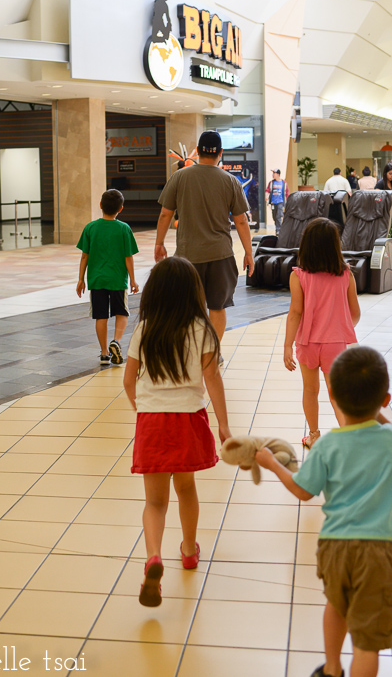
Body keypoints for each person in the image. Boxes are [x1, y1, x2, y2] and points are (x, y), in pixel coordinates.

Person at [256, 345, 392, 677]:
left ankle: (331, 668)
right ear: (384, 399)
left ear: (334, 398)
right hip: (376, 550)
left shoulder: (327, 445)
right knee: (368, 640)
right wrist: (378, 409)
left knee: (336, 604)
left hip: (335, 546)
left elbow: (302, 490)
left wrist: (272, 464)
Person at [123, 257, 231, 607]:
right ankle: (187, 550)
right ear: (192, 292)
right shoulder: (202, 329)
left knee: (155, 502)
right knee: (186, 490)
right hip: (187, 418)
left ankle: (153, 556)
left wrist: (143, 410)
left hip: (152, 421)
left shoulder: (146, 328)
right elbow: (212, 378)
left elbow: (128, 380)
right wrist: (224, 425)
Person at [155, 130, 254, 343]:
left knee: (188, 308)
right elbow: (241, 221)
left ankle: (190, 352)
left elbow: (165, 214)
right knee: (217, 307)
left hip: (187, 256)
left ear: (198, 151)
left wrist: (159, 243)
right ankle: (212, 352)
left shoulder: (179, 177)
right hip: (220, 255)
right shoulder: (230, 181)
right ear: (220, 153)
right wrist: (249, 252)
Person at [284, 217, 360, 449]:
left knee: (310, 389)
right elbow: (354, 313)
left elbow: (295, 313)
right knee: (335, 392)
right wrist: (338, 327)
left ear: (306, 245)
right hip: (335, 344)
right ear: (335, 246)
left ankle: (314, 435)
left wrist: (287, 345)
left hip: (307, 343)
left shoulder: (298, 276)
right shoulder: (346, 275)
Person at [76, 189, 139, 366]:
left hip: (96, 280)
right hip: (118, 279)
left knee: (101, 316)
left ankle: (104, 353)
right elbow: (128, 257)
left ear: (101, 205)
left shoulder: (90, 228)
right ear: (121, 209)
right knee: (122, 312)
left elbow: (84, 256)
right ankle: (116, 341)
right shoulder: (124, 229)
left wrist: (81, 279)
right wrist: (133, 279)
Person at [265, 168, 289, 234]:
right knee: (274, 216)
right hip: (273, 202)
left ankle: (279, 230)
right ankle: (278, 228)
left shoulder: (284, 183)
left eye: (274, 173)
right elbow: (267, 190)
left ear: (278, 174)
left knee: (279, 216)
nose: (273, 175)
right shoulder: (271, 183)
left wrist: (287, 202)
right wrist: (266, 196)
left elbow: (287, 193)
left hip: (280, 202)